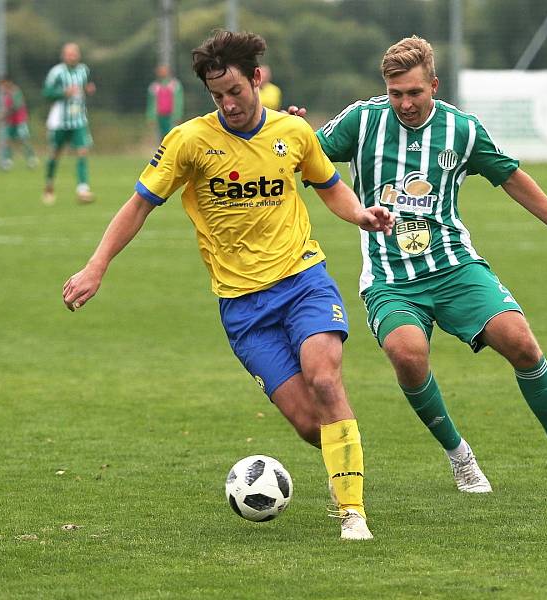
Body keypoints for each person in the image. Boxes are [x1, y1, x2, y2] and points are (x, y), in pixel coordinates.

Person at [61, 30, 393, 540]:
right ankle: (344, 448)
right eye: (217, 96)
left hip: (303, 280)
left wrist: (360, 215)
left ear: (257, 79)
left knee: (326, 380)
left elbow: (330, 186)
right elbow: (138, 205)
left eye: (235, 91)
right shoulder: (189, 142)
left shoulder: (294, 133)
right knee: (311, 424)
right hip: (243, 309)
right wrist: (96, 266)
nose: (228, 104)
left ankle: (353, 511)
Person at [313, 36, 547, 492]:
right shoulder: (363, 120)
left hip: (455, 266)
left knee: (521, 343)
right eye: (396, 93)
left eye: (414, 93)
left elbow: (511, 176)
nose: (405, 103)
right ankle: (460, 457)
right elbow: (307, 157)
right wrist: (292, 134)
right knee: (407, 355)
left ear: (433, 85)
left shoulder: (462, 129)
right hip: (390, 278)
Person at [42, 42, 96, 205]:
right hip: (59, 121)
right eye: (69, 53)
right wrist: (63, 93)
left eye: (75, 53)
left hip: (79, 120)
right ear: (63, 55)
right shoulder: (56, 72)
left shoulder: (83, 70)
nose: (72, 56)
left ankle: (83, 189)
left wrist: (88, 89)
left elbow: (85, 87)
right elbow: (46, 93)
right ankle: (49, 185)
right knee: (55, 154)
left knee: (82, 152)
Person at [0, 76, 38, 171]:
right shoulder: (6, 94)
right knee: (7, 141)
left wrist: (4, 116)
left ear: (8, 83)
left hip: (20, 121)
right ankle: (7, 161)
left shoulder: (15, 92)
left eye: (2, 84)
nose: (1, 87)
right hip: (10, 122)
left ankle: (31, 159)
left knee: (24, 140)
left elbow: (16, 106)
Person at [146, 64, 184, 141]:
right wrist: (151, 116)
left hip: (171, 116)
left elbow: (179, 101)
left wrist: (178, 115)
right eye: (160, 71)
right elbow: (151, 103)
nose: (162, 73)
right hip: (159, 116)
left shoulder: (175, 85)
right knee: (160, 136)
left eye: (164, 71)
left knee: (172, 136)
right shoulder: (154, 87)